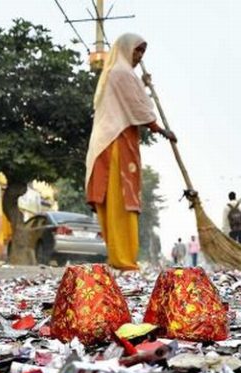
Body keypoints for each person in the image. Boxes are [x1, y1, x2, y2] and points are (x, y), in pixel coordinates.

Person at [85, 33, 176, 271]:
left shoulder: (119, 73)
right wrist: (161, 130)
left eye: (142, 53)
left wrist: (142, 84)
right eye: (137, 51)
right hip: (115, 143)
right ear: (126, 50)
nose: (139, 56)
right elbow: (138, 107)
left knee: (120, 201)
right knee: (121, 201)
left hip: (114, 141)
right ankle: (123, 259)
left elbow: (130, 101)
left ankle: (120, 258)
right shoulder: (122, 73)